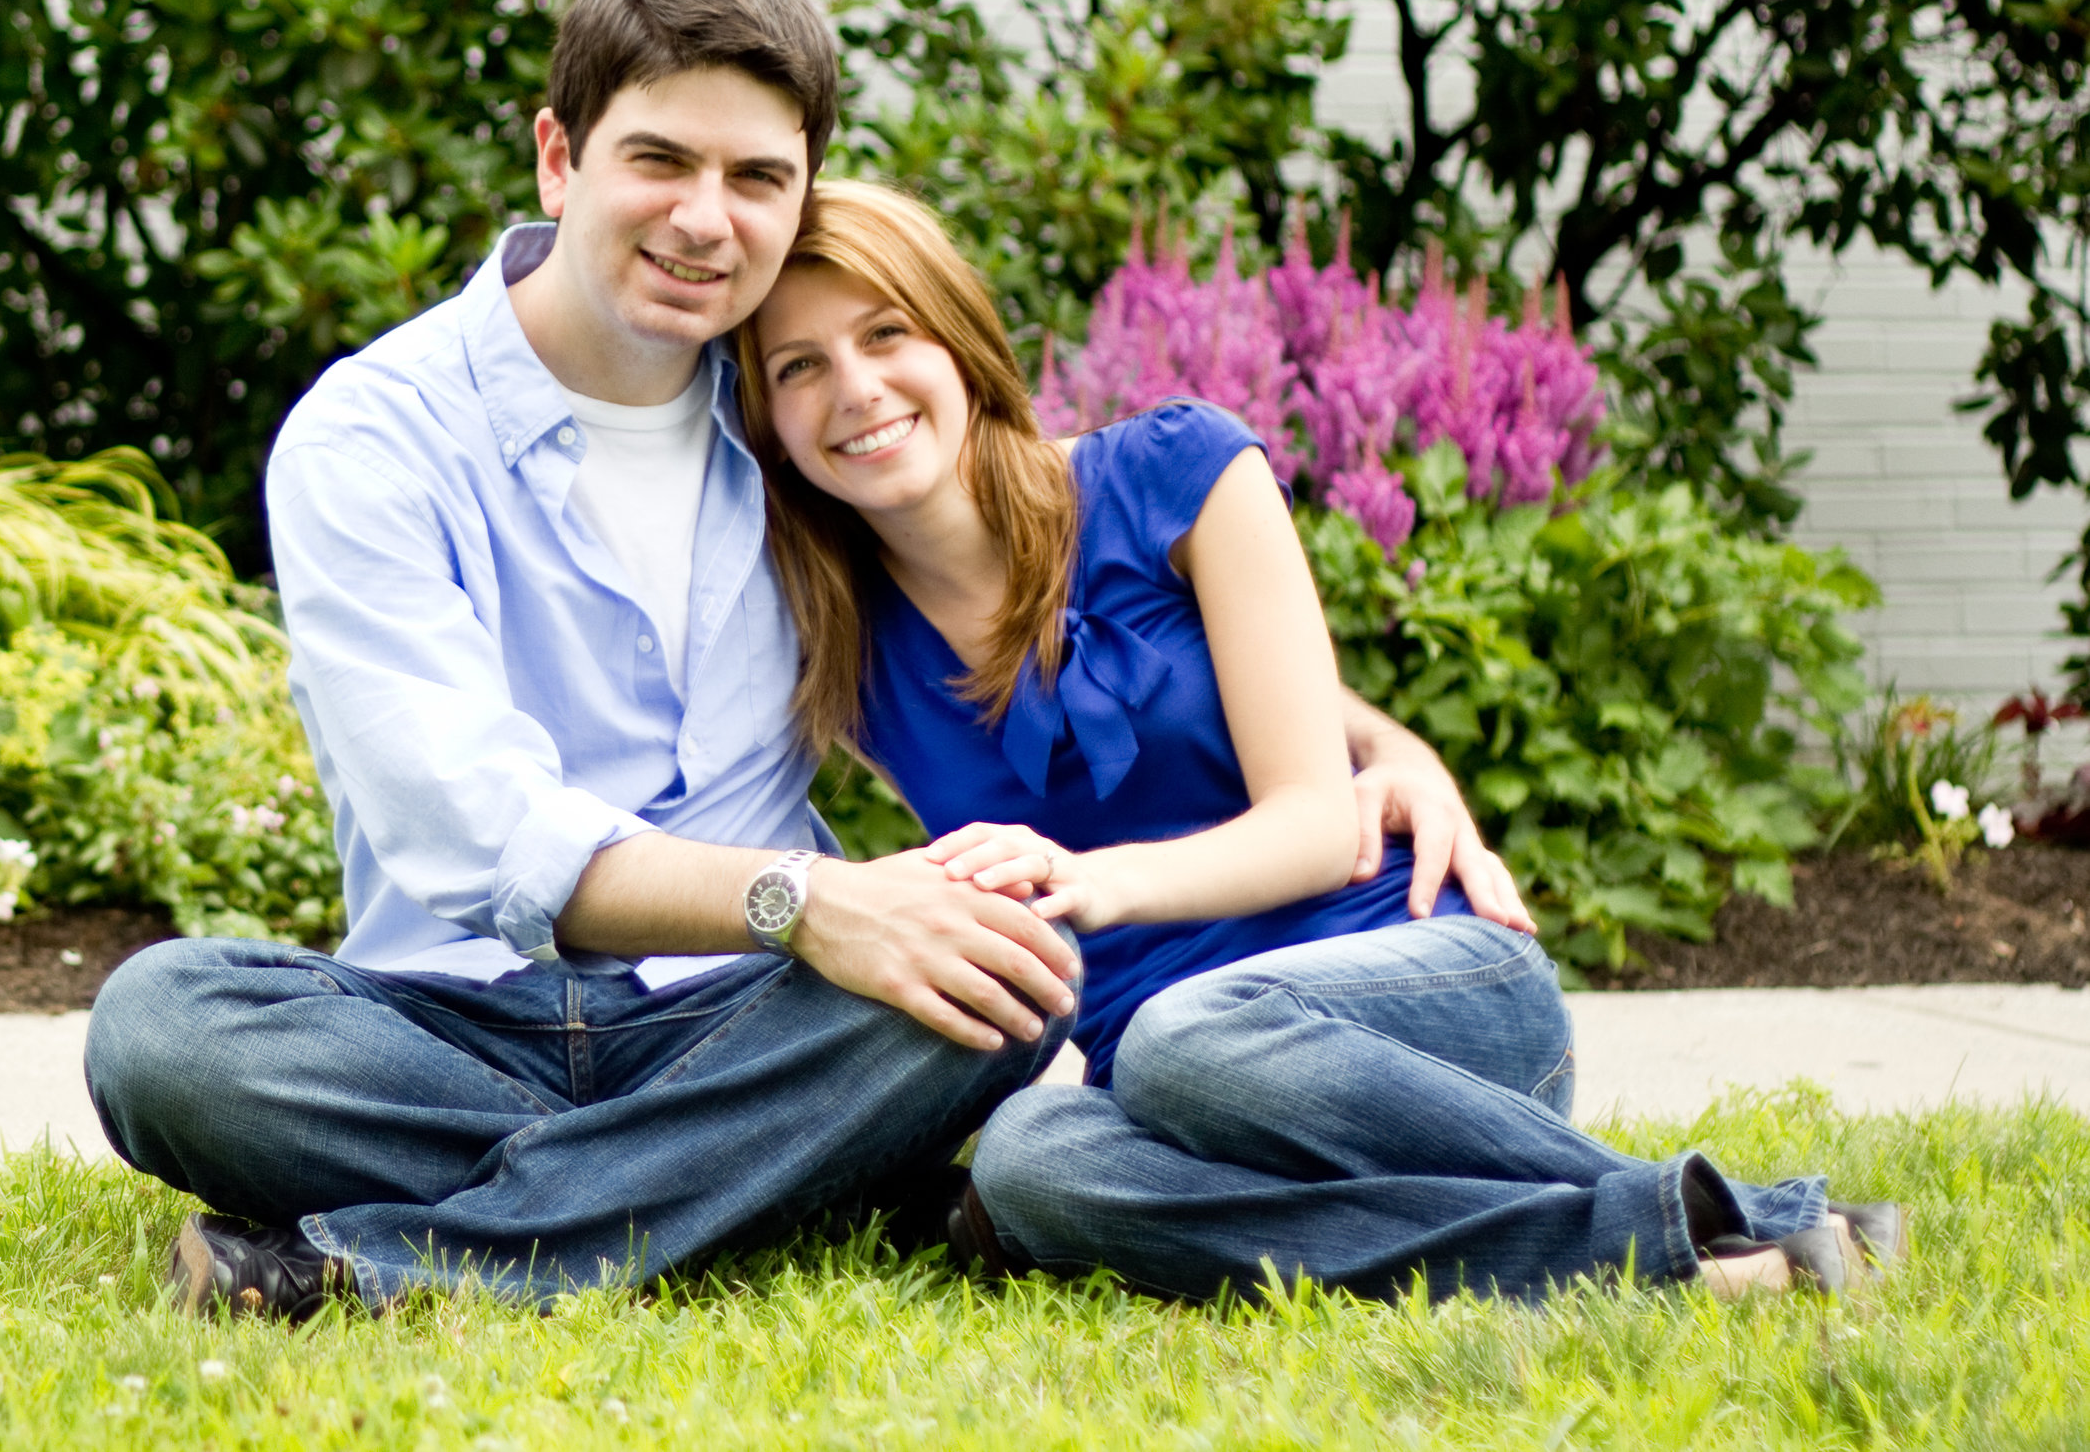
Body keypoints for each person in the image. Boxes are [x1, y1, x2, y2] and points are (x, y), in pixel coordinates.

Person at [83, 0, 1543, 1318]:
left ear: (799, 200)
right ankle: (776, 1175)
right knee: (161, 1027)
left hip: (778, 1018)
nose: (703, 217)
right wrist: (806, 898)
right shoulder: (374, 437)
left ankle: (420, 1257)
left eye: (754, 177)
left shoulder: (805, 447)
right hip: (455, 1019)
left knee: (987, 978)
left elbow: (1054, 593)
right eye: (658, 159)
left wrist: (1377, 745)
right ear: (558, 155)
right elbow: (467, 828)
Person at [735, 177, 1907, 1302]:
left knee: (1178, 1036)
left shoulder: (1177, 474)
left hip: (1414, 993)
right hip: (1174, 1097)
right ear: (770, 424)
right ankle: (1684, 1243)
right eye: (800, 366)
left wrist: (1090, 880)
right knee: (1031, 1156)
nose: (856, 386)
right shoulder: (841, 655)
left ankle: (1726, 1211)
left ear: (958, 338)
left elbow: (1309, 818)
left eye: (886, 333)